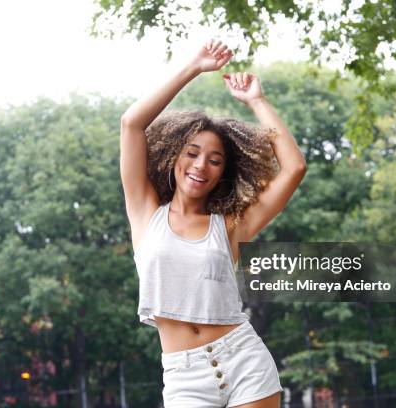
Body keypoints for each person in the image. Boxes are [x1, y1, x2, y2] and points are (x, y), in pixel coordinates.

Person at [120, 38, 307, 408]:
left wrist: (257, 100)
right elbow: (131, 124)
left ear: (223, 173)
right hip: (183, 376)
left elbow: (295, 167)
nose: (200, 165)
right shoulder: (145, 212)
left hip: (244, 361)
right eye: (192, 153)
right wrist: (192, 67)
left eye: (214, 160)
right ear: (175, 158)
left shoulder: (231, 225)